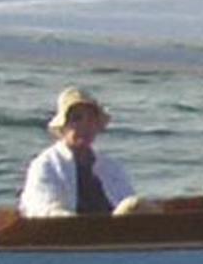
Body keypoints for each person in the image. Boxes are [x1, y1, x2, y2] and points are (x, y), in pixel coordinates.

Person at [18, 87, 142, 219]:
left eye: (91, 119)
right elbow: (42, 209)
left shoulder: (111, 167)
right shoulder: (46, 165)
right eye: (77, 119)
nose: (85, 125)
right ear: (63, 126)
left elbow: (128, 203)